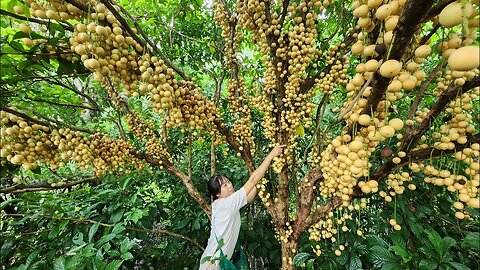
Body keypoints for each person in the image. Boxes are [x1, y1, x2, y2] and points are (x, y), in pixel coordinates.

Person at [199, 145, 286, 269]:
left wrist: (261, 180)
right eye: (224, 186)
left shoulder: (225, 203)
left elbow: (249, 196)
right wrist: (271, 155)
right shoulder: (226, 204)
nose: (229, 185)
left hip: (217, 263)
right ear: (217, 194)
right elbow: (252, 181)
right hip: (211, 265)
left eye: (228, 182)